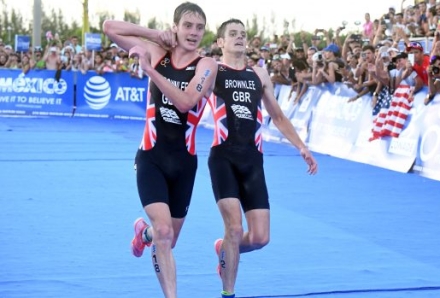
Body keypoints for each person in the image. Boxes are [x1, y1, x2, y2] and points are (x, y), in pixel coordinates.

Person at [102, 2, 217, 298]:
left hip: (184, 164)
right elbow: (109, 27)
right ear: (175, 27)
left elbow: (186, 102)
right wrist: (155, 34)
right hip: (151, 157)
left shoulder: (206, 66)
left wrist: (150, 71)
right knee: (164, 234)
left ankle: (144, 234)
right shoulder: (158, 50)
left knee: (167, 237)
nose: (193, 33)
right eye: (187, 26)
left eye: (199, 27)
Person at [209, 19, 318, 298]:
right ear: (220, 42)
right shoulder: (211, 70)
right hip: (223, 157)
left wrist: (301, 147)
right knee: (234, 228)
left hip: (253, 160)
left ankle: (225, 249)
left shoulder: (259, 74)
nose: (239, 38)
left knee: (259, 238)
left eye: (243, 34)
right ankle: (228, 292)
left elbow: (278, 116)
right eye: (232, 34)